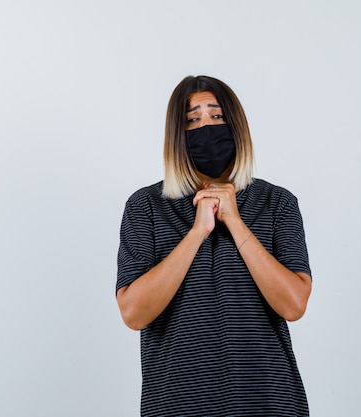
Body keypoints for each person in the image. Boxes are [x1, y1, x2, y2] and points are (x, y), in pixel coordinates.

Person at [116, 75, 313, 416]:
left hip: (268, 400)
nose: (205, 127)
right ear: (177, 136)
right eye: (192, 120)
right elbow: (134, 313)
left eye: (216, 116)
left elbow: (294, 305)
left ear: (236, 125)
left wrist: (235, 222)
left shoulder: (276, 203)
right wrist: (197, 232)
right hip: (176, 403)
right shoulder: (146, 206)